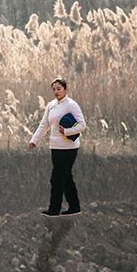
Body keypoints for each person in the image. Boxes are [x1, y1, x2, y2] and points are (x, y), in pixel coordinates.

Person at [27, 78, 85, 215]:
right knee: (66, 177)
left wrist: (67, 131)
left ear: (65, 89)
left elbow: (82, 125)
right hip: (55, 147)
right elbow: (44, 124)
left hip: (69, 148)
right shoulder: (51, 105)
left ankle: (54, 209)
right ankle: (75, 207)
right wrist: (34, 140)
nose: (56, 91)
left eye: (59, 88)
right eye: (54, 89)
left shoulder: (72, 105)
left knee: (57, 178)